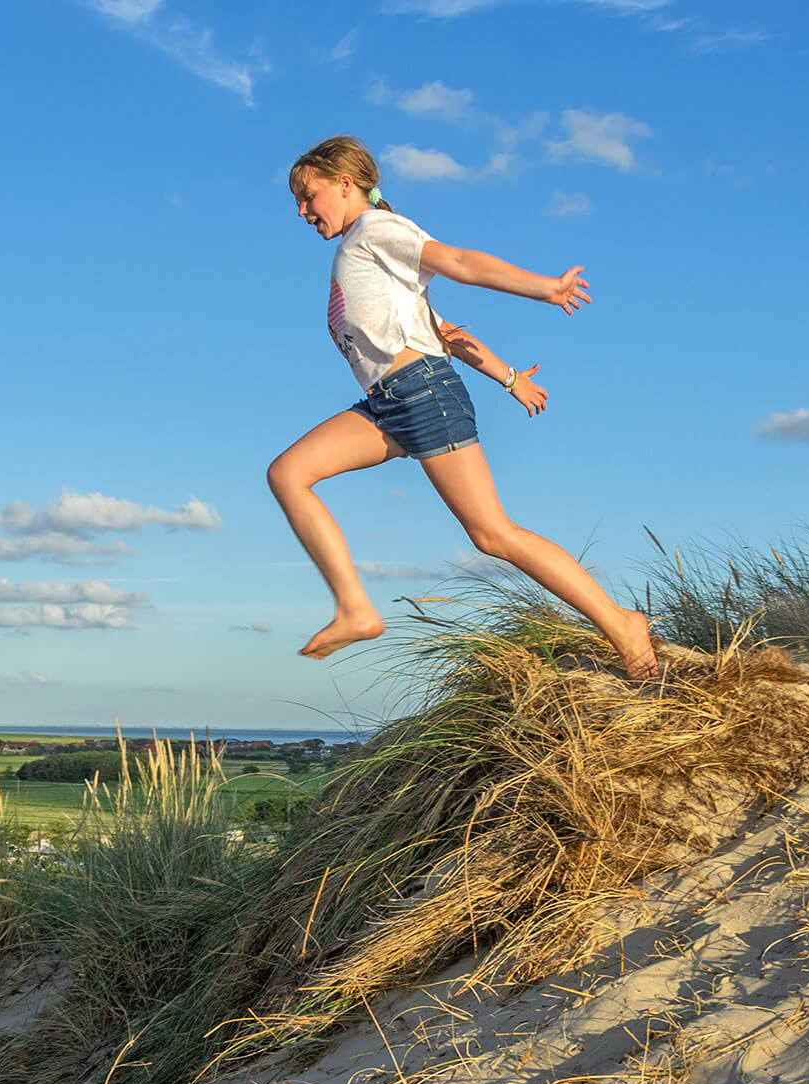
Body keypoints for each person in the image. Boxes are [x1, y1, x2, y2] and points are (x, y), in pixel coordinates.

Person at [271, 135, 657, 679]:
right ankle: (354, 608)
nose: (302, 210)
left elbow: (456, 260)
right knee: (288, 474)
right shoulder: (365, 252)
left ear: (345, 183)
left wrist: (544, 288)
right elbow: (441, 330)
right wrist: (511, 377)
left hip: (423, 394)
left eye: (308, 195)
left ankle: (622, 624)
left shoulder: (377, 230)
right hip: (390, 400)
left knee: (493, 533)